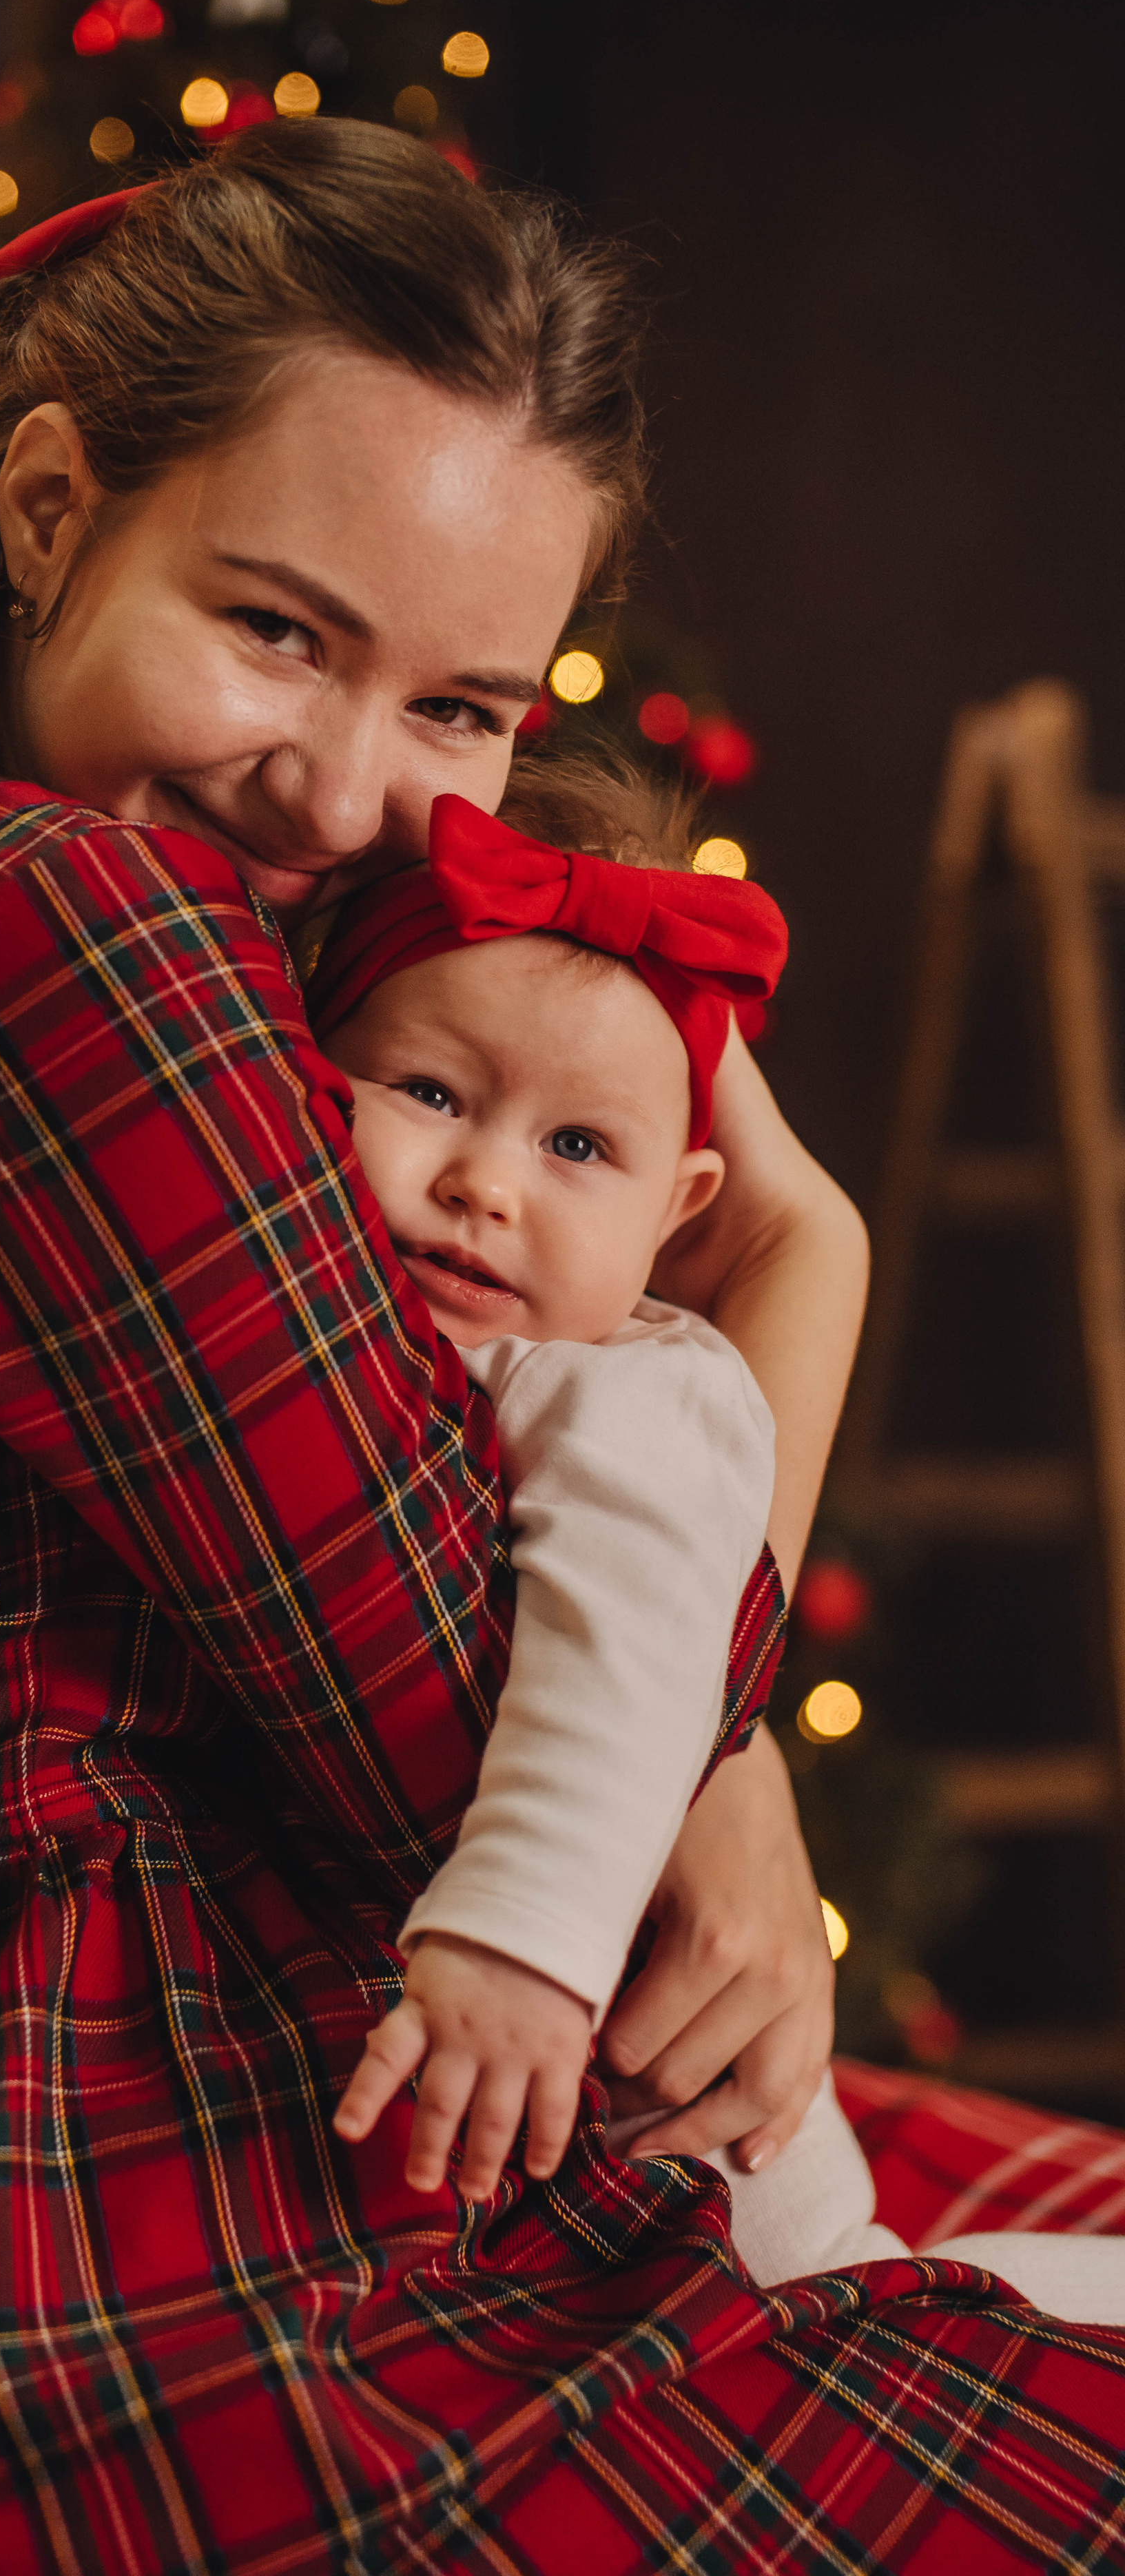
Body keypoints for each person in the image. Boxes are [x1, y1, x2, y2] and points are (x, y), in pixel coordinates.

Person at [0, 123, 1125, 2572]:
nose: (344, 792)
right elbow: (454, 1718)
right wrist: (793, 1290)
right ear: (49, 508)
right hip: (90, 2274)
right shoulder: (65, 932)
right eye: (278, 629)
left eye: (467, 707)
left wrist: (698, 1655)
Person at [316, 785, 1125, 2327]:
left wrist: (525, 1940)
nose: (486, 1181)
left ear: (679, 1208)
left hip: (687, 2121)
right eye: (424, 1091)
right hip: (543, 2109)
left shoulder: (628, 1383)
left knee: (868, 2310)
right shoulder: (391, 1350)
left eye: (574, 1146)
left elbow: (629, 1658)